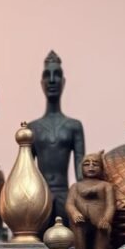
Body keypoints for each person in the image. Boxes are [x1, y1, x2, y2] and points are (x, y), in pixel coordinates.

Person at [28, 51, 85, 221]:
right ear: (41, 83)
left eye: (57, 75)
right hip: (39, 199)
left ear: (64, 82)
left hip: (65, 196)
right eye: (47, 75)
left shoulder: (74, 126)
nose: (52, 80)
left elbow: (81, 172)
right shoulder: (33, 128)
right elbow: (26, 173)